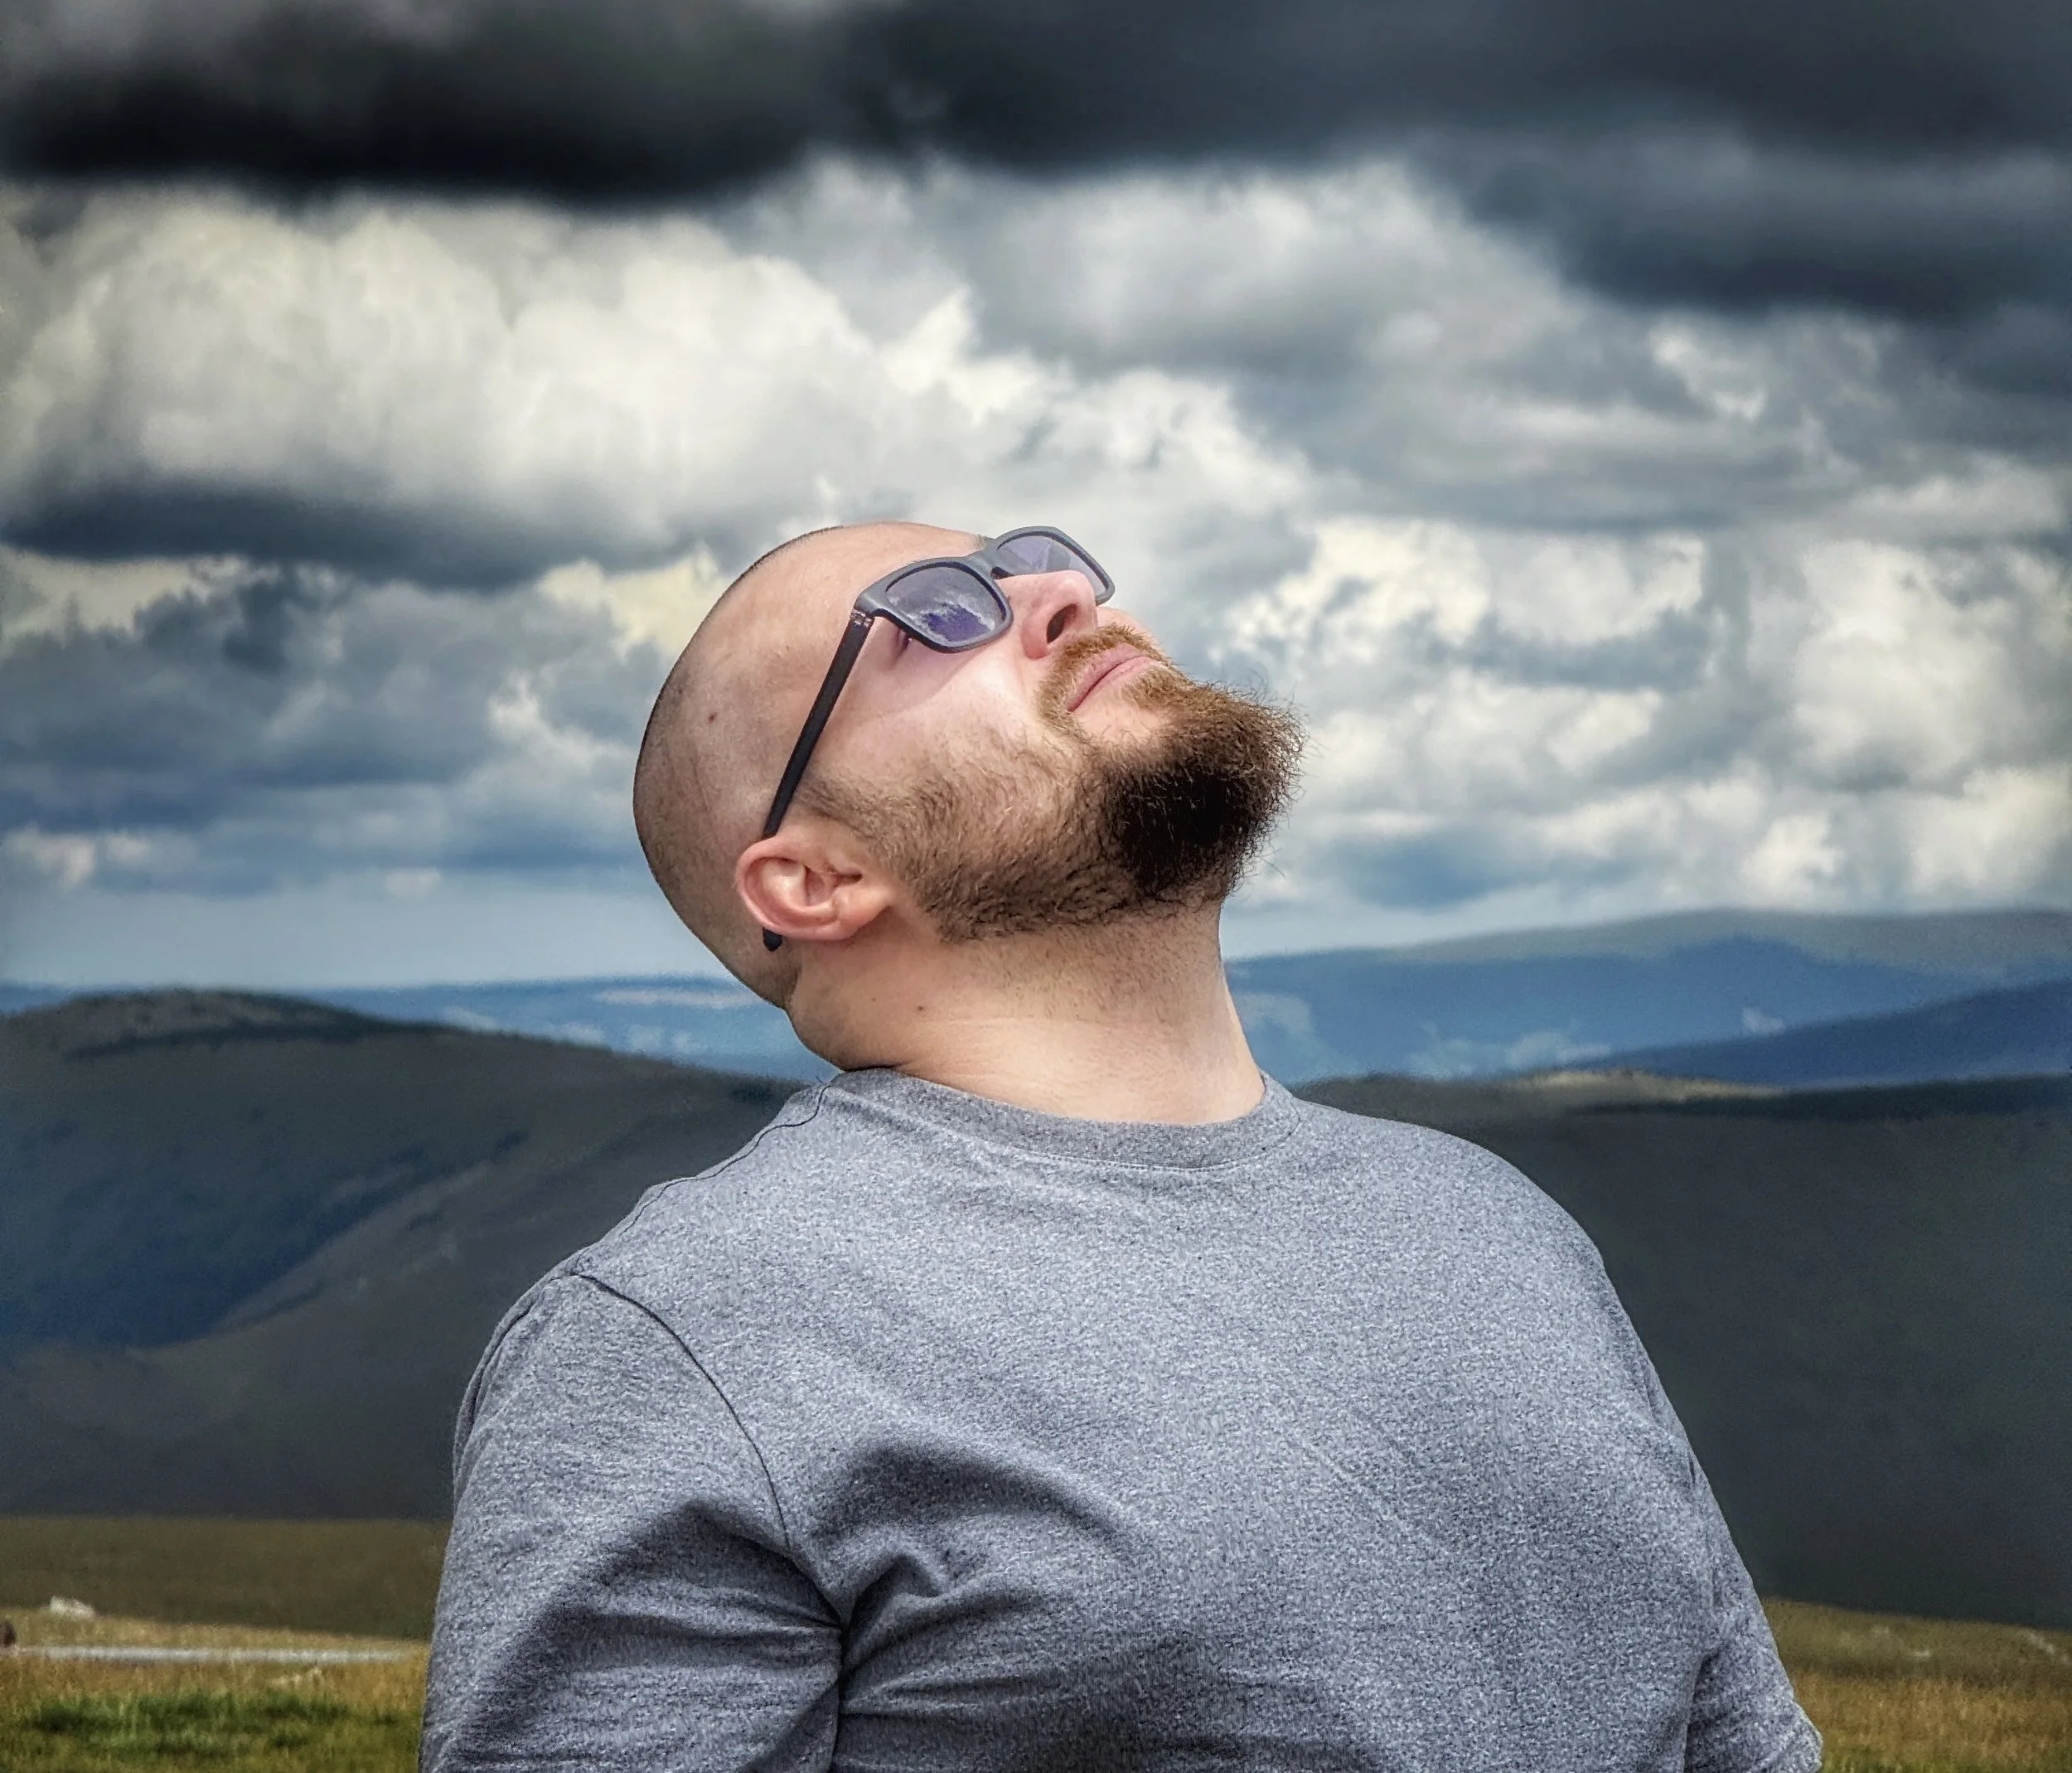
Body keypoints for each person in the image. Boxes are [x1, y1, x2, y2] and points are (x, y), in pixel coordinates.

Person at [423, 520, 1818, 1773]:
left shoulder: (1498, 1228)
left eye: (1035, 557)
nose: (1052, 593)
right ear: (816, 878)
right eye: (929, 613)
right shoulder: (685, 1335)